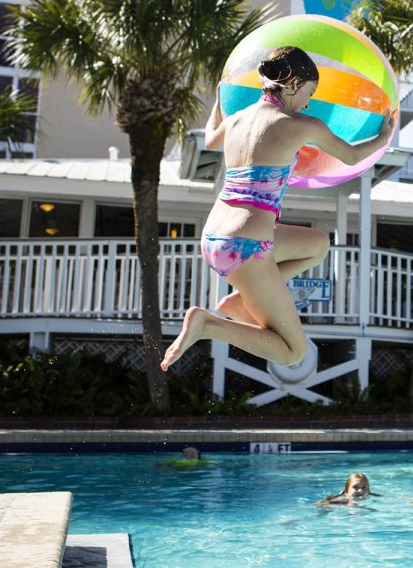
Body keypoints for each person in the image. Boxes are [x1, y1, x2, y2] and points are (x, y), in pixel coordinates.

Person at [160, 46, 394, 372]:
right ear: (293, 82)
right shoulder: (302, 124)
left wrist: (219, 99)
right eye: (310, 92)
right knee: (292, 352)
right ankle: (208, 325)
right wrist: (384, 137)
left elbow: (211, 138)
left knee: (318, 244)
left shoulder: (238, 119)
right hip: (247, 247)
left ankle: (241, 301)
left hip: (216, 237)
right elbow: (353, 157)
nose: (309, 102)